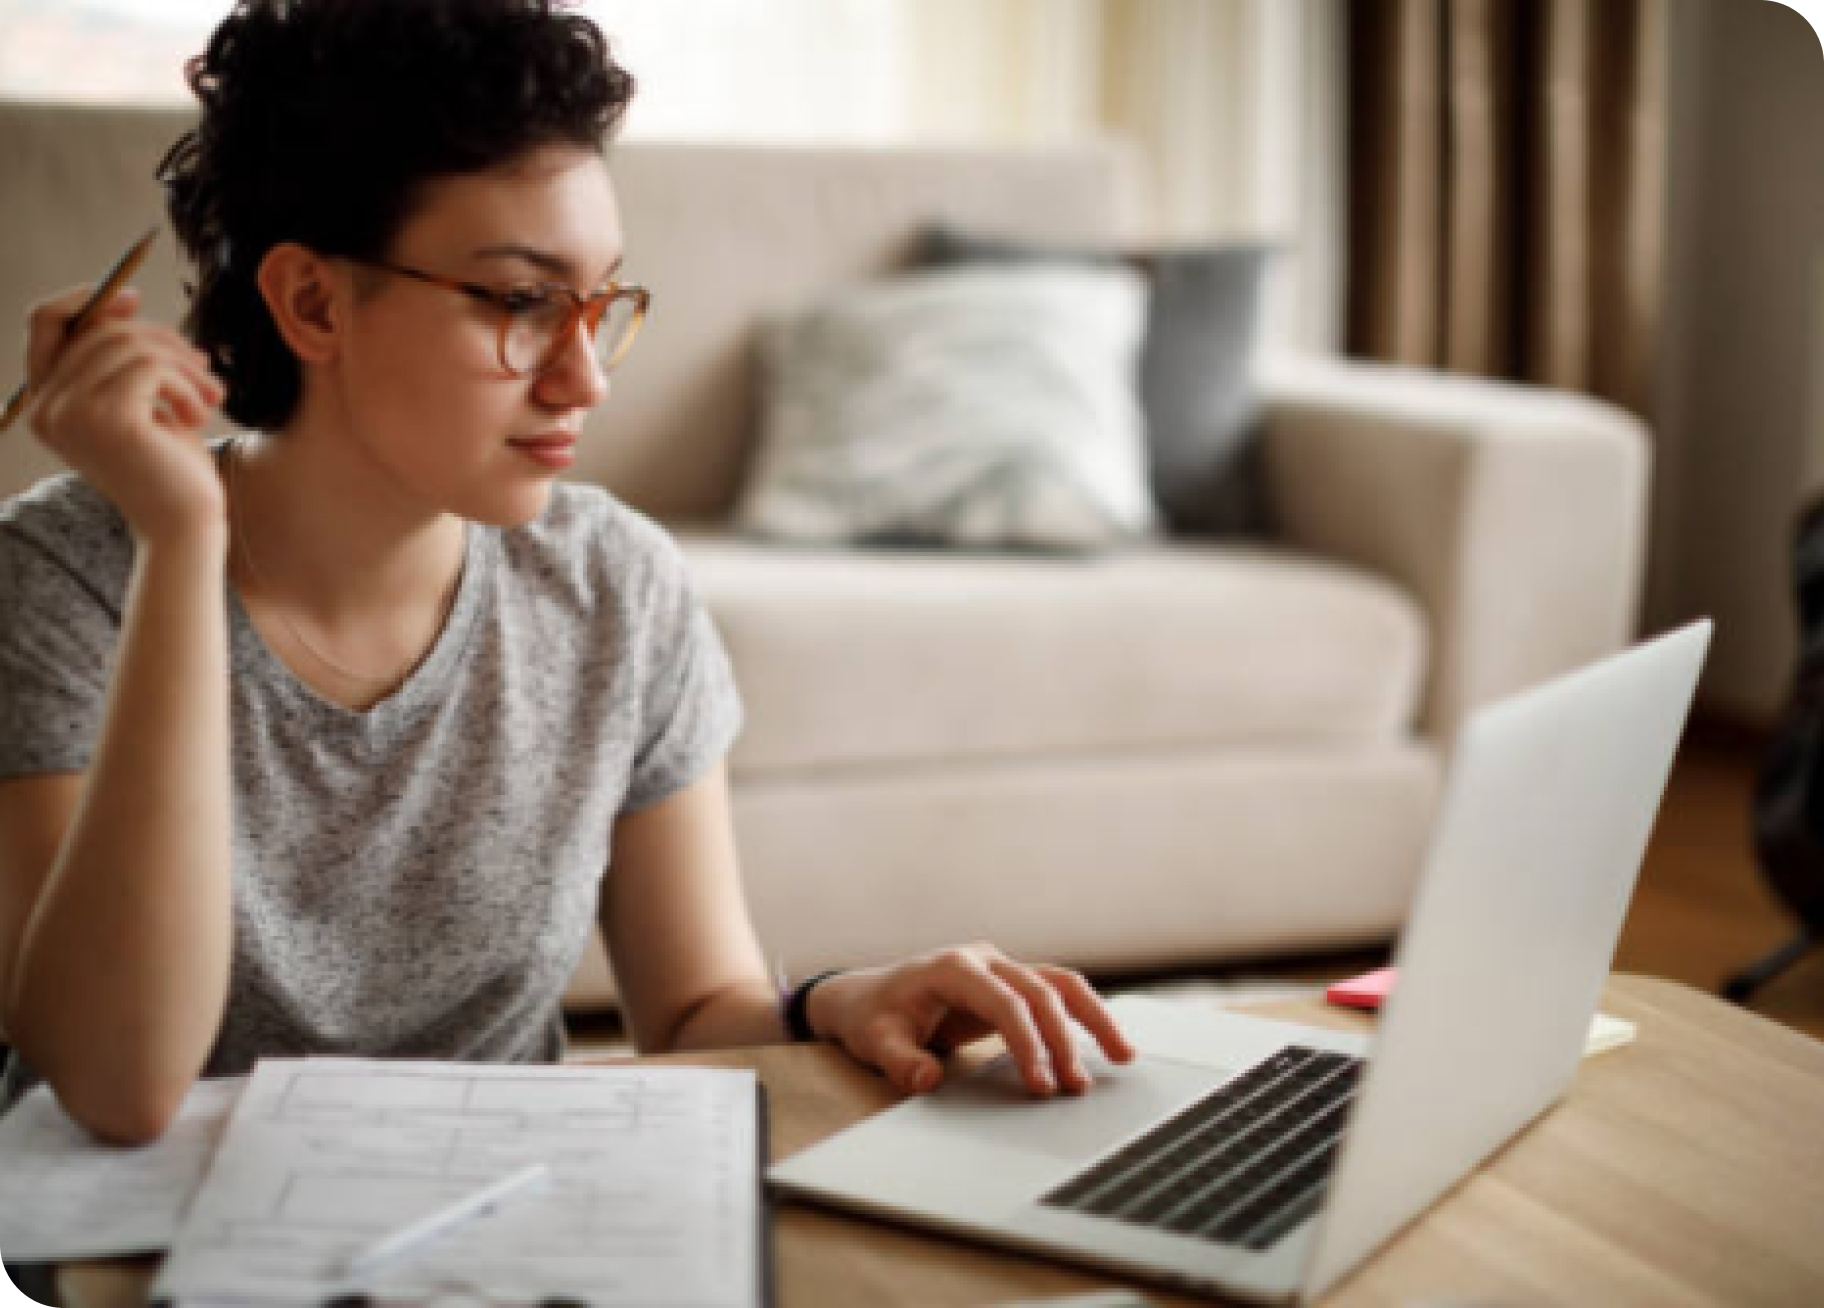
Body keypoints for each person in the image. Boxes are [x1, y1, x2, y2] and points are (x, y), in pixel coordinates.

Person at [0, 0, 1134, 1146]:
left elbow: (697, 1011)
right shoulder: (61, 579)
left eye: (598, 302)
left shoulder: (615, 584)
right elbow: (118, 1086)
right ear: (311, 301)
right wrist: (181, 545)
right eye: (525, 302)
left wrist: (837, 1001)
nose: (585, 377)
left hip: (508, 1231)